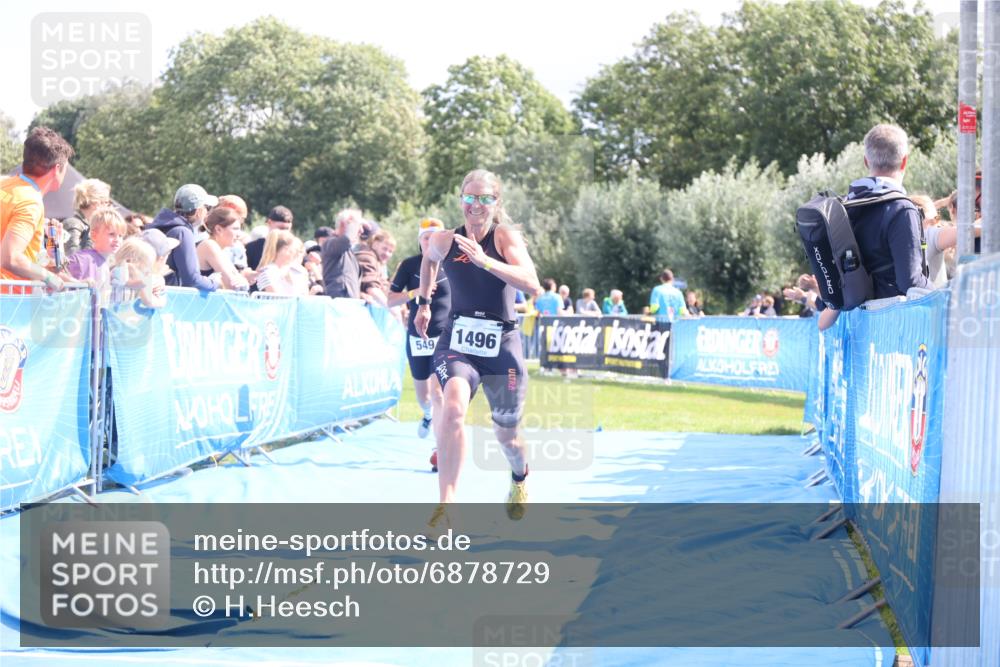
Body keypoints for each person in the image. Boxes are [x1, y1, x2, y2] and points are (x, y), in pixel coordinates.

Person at [415, 169, 542, 525]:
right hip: (458, 341)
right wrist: (424, 303)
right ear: (461, 201)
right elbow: (428, 256)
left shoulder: (504, 237)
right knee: (452, 406)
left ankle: (520, 478)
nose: (476, 205)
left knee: (507, 435)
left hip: (502, 345)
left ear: (496, 203)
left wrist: (484, 260)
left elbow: (531, 283)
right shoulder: (446, 239)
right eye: (470, 197)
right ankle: (447, 506)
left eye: (485, 198)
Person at [819, 124, 930, 330]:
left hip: (855, 328)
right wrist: (941, 297)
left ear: (866, 161)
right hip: (891, 329)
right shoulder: (901, 209)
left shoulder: (843, 209)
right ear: (905, 161)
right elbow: (910, 281)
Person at [388, 218, 451, 455]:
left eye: (436, 237)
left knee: (438, 393)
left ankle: (440, 447)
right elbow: (390, 299)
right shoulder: (409, 266)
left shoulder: (453, 264)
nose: (431, 241)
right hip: (418, 337)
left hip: (445, 338)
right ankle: (427, 415)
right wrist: (417, 292)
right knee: (424, 396)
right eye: (426, 237)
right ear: (420, 242)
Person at [0, 126, 74, 292]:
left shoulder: (5, 186)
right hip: (9, 305)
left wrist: (54, 247)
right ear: (56, 169)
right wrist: (48, 277)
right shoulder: (30, 202)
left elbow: (37, 261)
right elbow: (10, 258)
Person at [145, 184, 218, 291]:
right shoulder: (182, 233)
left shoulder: (157, 228)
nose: (207, 212)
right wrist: (215, 283)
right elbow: (192, 280)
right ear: (199, 211)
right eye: (207, 207)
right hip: (168, 300)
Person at [322, 208, 375, 299]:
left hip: (349, 305)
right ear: (343, 225)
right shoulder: (330, 243)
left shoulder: (348, 251)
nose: (361, 231)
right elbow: (346, 240)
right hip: (338, 304)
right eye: (358, 226)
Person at [64, 206, 126, 285]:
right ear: (94, 235)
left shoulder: (106, 262)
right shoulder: (82, 259)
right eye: (111, 234)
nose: (117, 239)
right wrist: (78, 282)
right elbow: (58, 273)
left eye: (120, 235)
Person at [196, 207, 250, 290]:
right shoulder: (209, 245)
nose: (239, 234)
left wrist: (243, 280)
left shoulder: (219, 249)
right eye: (235, 229)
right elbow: (233, 285)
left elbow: (238, 283)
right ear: (218, 229)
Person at [62, 178, 112, 255]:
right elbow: (72, 258)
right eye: (106, 202)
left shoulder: (87, 224)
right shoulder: (73, 223)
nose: (107, 207)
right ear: (96, 203)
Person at [256, 230, 308, 296]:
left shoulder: (300, 270)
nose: (295, 254)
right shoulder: (266, 272)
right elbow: (277, 298)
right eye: (291, 250)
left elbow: (305, 296)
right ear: (283, 250)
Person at [355, 230, 397, 306]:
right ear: (375, 244)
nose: (387, 254)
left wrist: (397, 274)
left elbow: (386, 291)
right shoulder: (367, 258)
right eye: (384, 248)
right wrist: (392, 309)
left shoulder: (378, 263)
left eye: (390, 251)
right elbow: (371, 287)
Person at [245, 205, 293, 270]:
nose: (283, 233)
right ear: (269, 223)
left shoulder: (294, 249)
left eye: (286, 229)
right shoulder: (252, 248)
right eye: (280, 228)